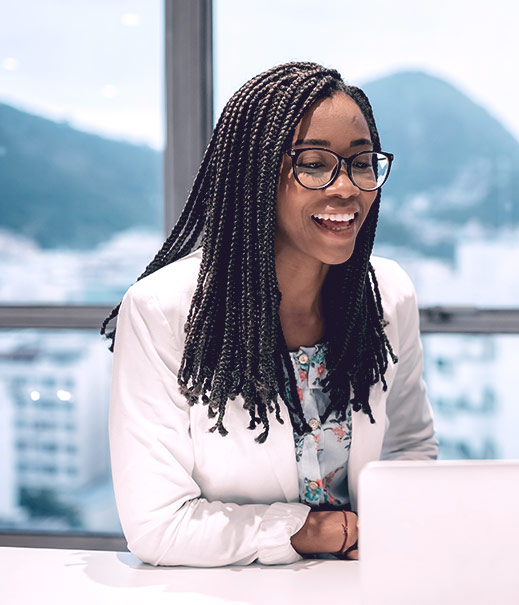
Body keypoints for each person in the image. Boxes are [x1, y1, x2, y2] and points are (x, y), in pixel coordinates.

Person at [103, 62, 437, 567]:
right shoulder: (161, 309)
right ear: (254, 174)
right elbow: (158, 524)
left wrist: (393, 531)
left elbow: (409, 447)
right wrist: (306, 531)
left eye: (362, 162)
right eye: (314, 163)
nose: (347, 188)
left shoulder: (388, 293)